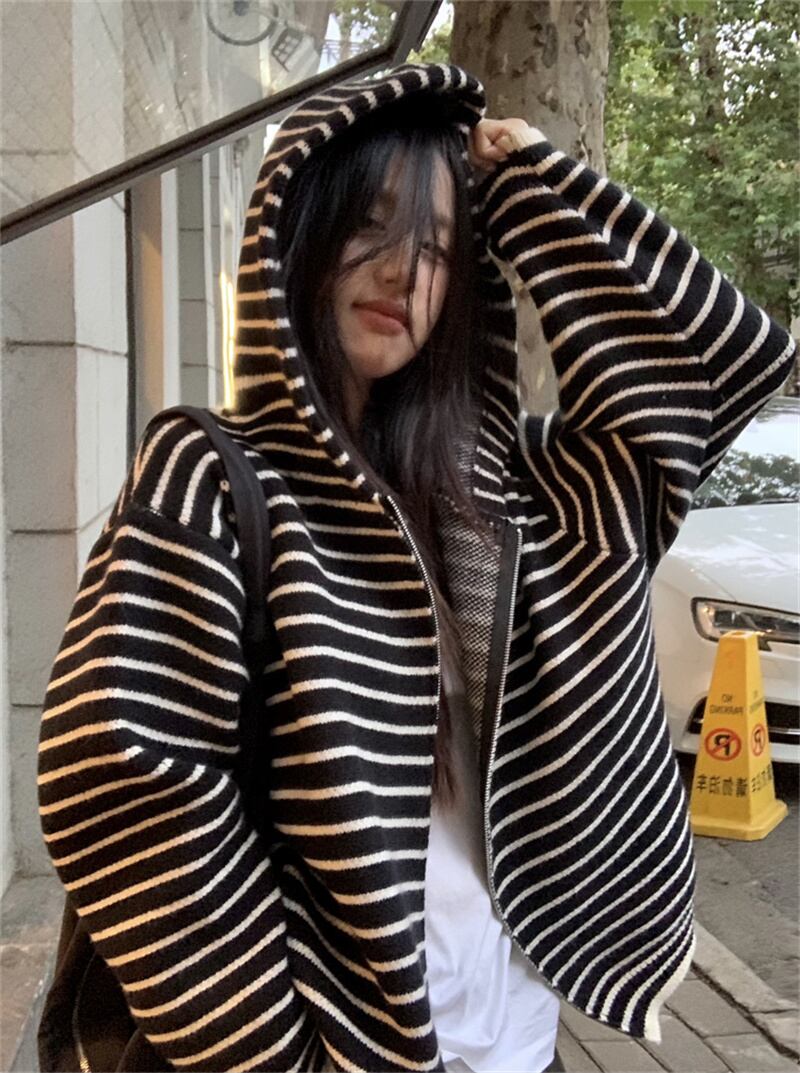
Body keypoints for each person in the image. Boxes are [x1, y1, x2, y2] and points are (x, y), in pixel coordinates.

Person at [37, 61, 796, 1073]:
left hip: (516, 1035)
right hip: (341, 1049)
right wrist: (274, 1054)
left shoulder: (521, 494)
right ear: (297, 233)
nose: (404, 273)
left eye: (437, 247)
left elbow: (717, 361)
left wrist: (533, 187)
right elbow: (124, 782)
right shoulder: (213, 475)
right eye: (372, 226)